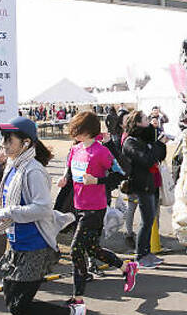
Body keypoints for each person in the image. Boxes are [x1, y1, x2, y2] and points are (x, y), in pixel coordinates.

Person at [0, 117, 78, 315]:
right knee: (10, 296)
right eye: (3, 139)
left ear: (26, 143)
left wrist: (6, 212)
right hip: (16, 243)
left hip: (35, 246)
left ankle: (72, 312)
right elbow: (7, 202)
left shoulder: (33, 170)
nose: (3, 144)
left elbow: (42, 208)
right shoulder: (13, 166)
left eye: (9, 140)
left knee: (18, 306)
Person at [58, 111, 136, 307]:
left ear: (87, 130)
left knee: (76, 250)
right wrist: (65, 179)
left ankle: (78, 299)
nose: (73, 132)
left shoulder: (101, 152)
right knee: (92, 249)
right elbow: (69, 169)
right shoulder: (75, 150)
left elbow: (121, 174)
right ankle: (126, 267)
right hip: (78, 206)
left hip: (95, 208)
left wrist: (98, 180)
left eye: (77, 129)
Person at [122, 110, 167, 268]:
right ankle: (140, 255)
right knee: (146, 220)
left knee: (150, 218)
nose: (149, 120)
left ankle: (147, 252)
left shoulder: (145, 138)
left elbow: (158, 156)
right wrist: (159, 144)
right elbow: (147, 159)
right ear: (138, 123)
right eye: (146, 119)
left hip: (151, 183)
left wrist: (159, 143)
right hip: (141, 185)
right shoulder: (130, 142)